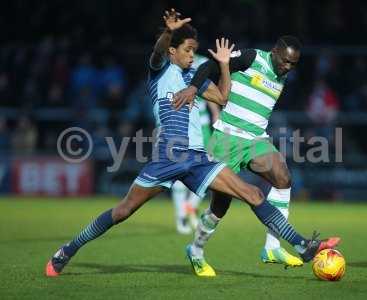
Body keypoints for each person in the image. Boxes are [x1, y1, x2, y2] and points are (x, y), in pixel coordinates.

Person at [45, 9, 337, 278]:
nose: (192, 56)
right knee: (122, 211)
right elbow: (159, 51)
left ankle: (301, 245)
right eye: (187, 50)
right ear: (173, 50)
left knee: (253, 194)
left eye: (194, 51)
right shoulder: (160, 70)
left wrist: (223, 65)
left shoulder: (192, 76)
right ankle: (67, 250)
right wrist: (168, 33)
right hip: (168, 157)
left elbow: (223, 98)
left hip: (197, 158)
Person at [173, 36, 340, 274]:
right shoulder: (252, 57)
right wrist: (192, 87)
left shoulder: (284, 74)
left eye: (293, 64)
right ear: (274, 52)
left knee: (284, 179)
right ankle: (196, 249)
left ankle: (272, 247)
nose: (287, 67)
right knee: (220, 206)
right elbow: (209, 66)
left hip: (256, 139)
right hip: (227, 138)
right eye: (285, 61)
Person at [171, 54, 220, 235]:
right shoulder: (171, 63)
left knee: (209, 168)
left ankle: (190, 207)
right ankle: (181, 217)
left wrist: (215, 112)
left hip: (204, 125)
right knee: (180, 170)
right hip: (182, 126)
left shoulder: (198, 61)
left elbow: (205, 89)